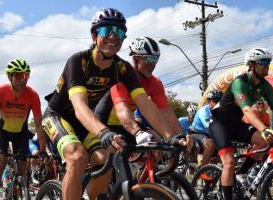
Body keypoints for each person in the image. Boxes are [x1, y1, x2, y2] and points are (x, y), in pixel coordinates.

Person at [42, 11, 187, 200]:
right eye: (107, 30)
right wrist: (103, 132)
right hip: (58, 116)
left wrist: (171, 137)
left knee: (106, 160)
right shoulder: (78, 61)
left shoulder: (122, 68)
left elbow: (145, 104)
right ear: (95, 35)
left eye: (118, 33)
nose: (112, 36)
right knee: (77, 157)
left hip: (84, 123)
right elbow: (79, 106)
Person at [208, 48, 273, 199]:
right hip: (219, 124)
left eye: (268, 62)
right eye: (262, 62)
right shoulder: (239, 82)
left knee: (266, 142)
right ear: (251, 65)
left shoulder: (265, 86)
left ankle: (242, 173)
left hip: (236, 125)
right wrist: (264, 128)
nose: (267, 65)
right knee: (229, 162)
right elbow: (247, 111)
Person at [0, 59, 46, 200]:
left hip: (21, 132)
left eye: (26, 76)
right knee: (0, 163)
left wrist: (43, 149)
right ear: (10, 76)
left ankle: (16, 189)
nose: (23, 80)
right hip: (2, 132)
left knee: (22, 165)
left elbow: (39, 125)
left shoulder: (32, 95)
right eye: (19, 76)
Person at [188, 90, 222, 166]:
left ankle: (214, 168)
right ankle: (203, 169)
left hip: (208, 134)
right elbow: (209, 125)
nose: (218, 103)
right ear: (209, 101)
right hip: (196, 133)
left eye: (220, 101)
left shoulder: (219, 110)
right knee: (210, 145)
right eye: (216, 101)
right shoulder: (204, 110)